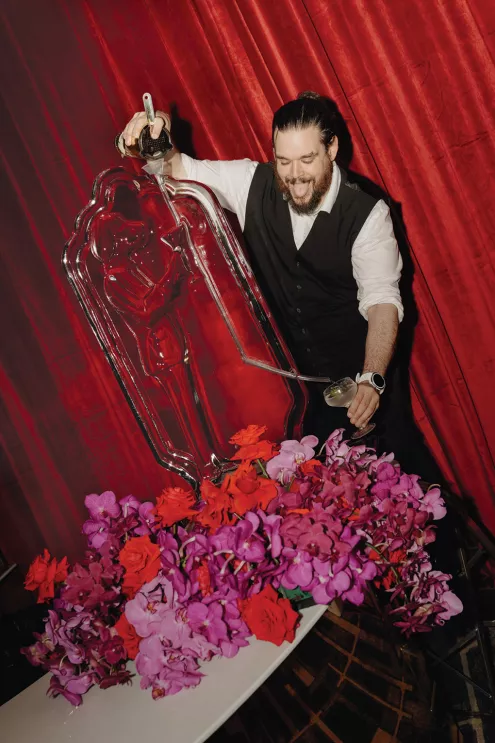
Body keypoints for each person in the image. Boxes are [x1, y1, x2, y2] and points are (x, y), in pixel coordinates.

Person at [119, 92, 439, 479]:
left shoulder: (368, 213)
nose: (295, 175)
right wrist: (156, 136)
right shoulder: (252, 183)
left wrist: (372, 378)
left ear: (332, 149)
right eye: (284, 161)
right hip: (303, 395)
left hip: (362, 384)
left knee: (401, 481)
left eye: (307, 160)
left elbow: (382, 302)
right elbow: (178, 170)